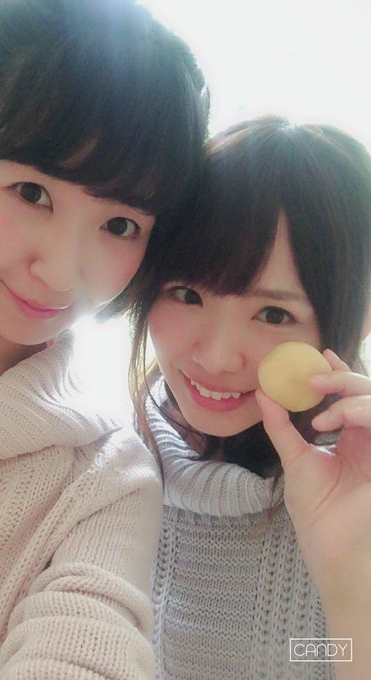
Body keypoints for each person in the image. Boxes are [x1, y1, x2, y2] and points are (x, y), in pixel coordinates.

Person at [0, 0, 210, 677]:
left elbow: (90, 647)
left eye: (119, 226)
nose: (60, 272)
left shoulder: (107, 483)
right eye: (31, 191)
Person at [129, 116, 371, 679]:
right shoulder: (103, 462)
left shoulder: (360, 487)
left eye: (274, 314)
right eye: (186, 293)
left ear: (355, 321)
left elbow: (330, 656)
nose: (217, 358)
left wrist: (350, 574)